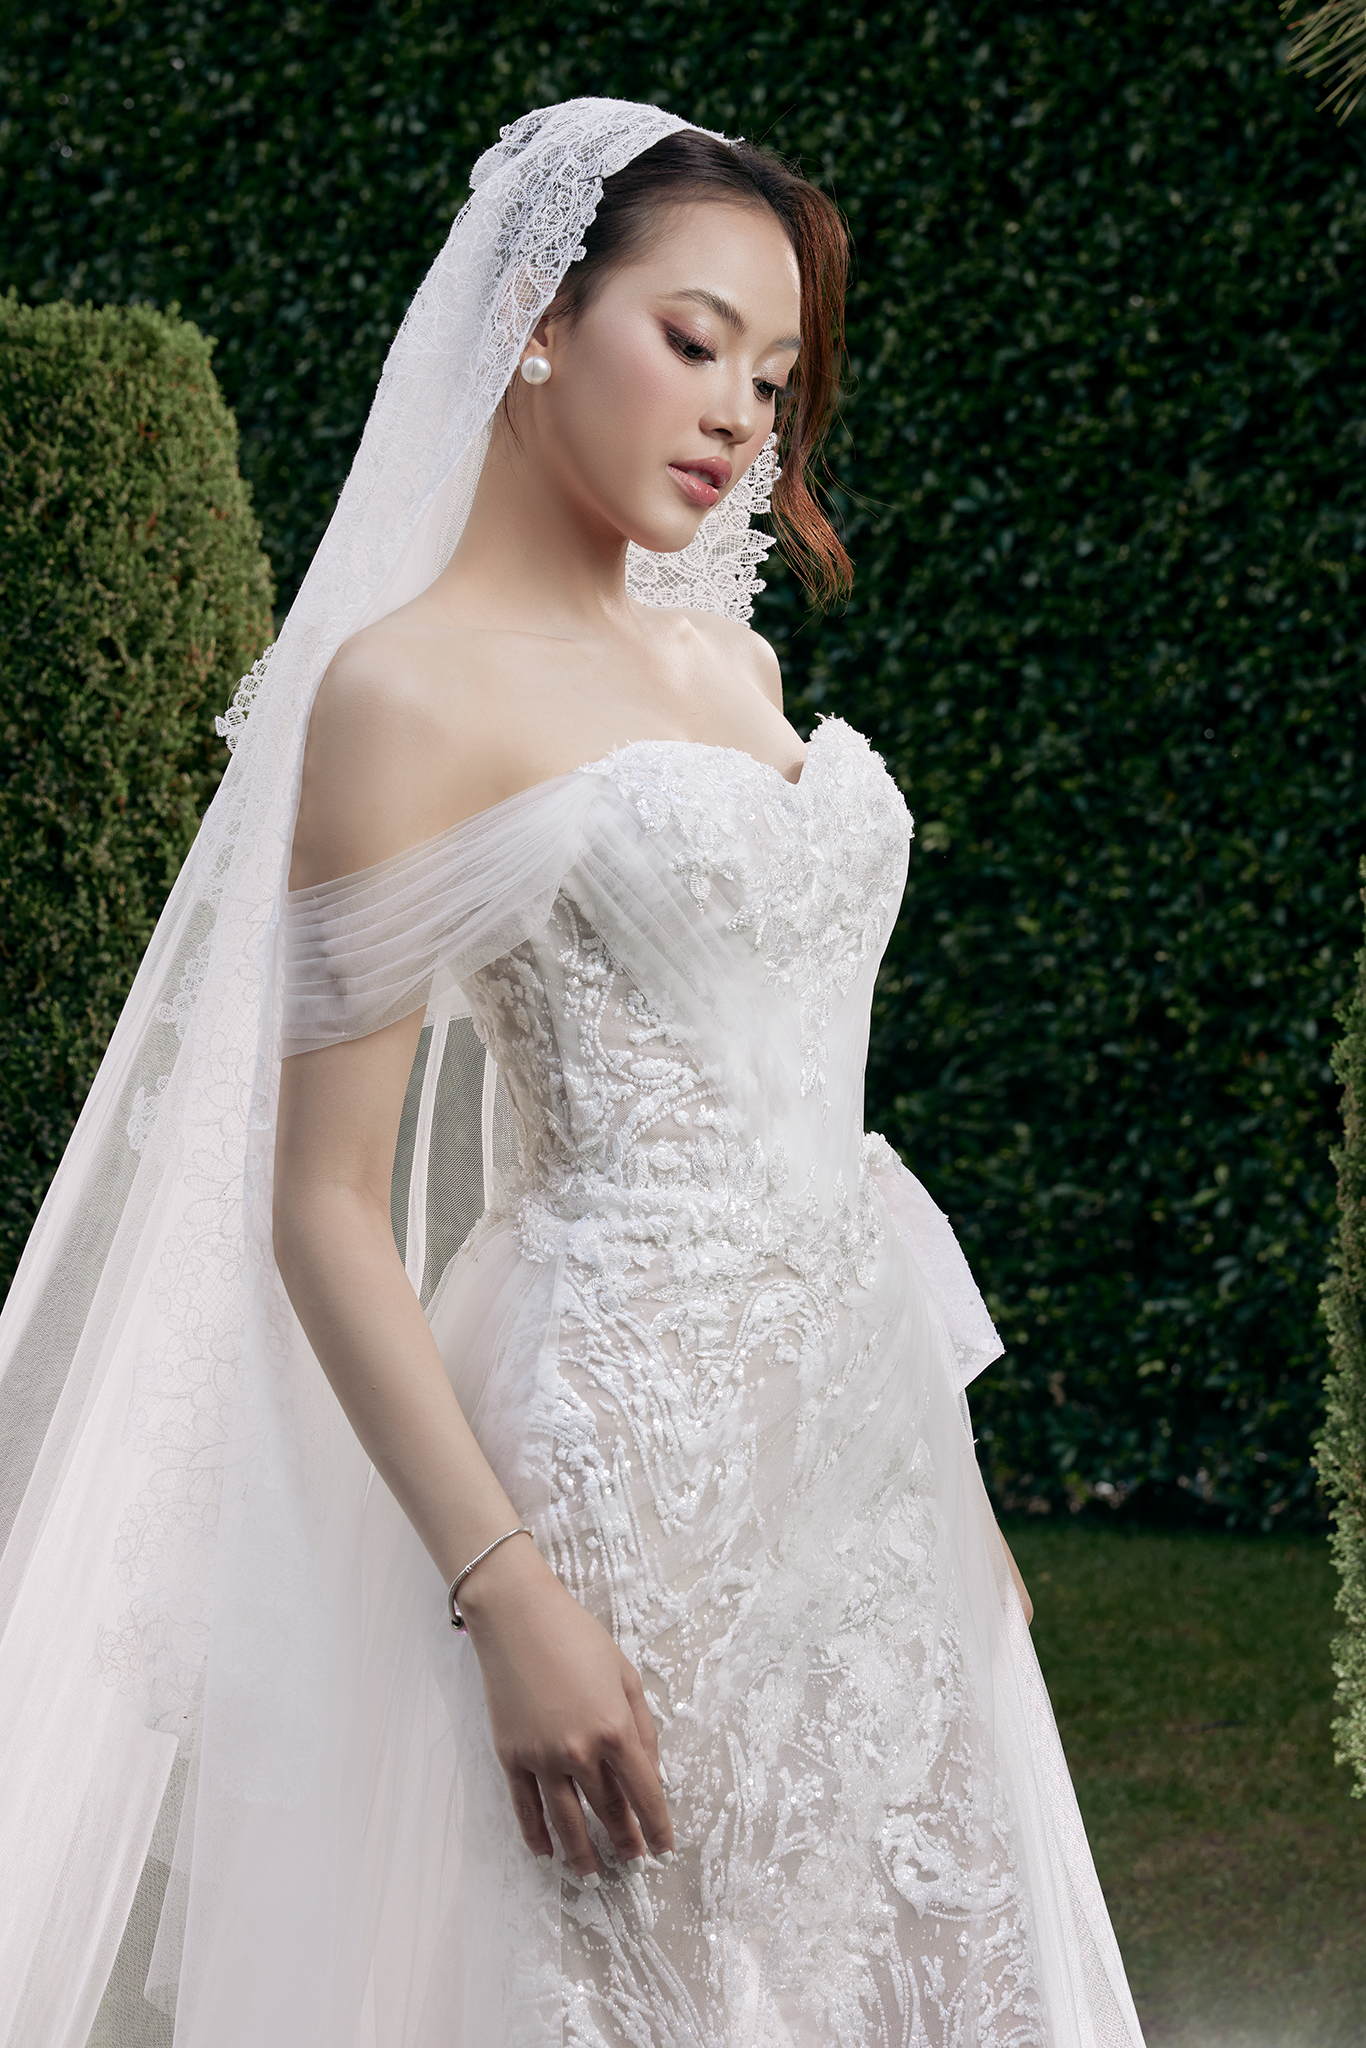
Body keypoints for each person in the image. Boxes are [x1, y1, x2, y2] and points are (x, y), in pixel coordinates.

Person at [0, 99, 1144, 2048]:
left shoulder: (731, 675)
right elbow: (320, 1202)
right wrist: (502, 1585)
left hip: (859, 1469)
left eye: (772, 377)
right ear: (536, 316)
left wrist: (939, 1501)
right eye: (692, 340)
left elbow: (820, 1146)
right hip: (616, 1457)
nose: (738, 416)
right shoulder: (405, 690)